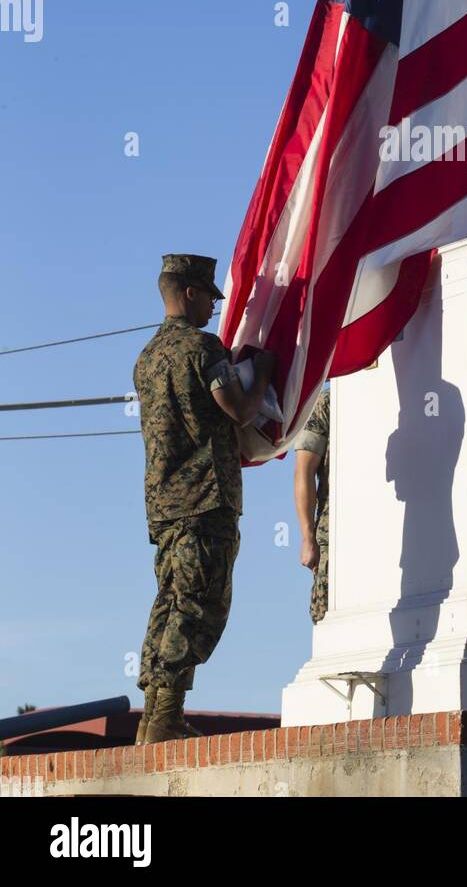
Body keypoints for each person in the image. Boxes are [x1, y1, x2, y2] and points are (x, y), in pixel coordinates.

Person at [133, 253, 274, 744]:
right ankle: (165, 714)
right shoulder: (202, 348)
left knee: (171, 603)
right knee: (199, 606)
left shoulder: (147, 358)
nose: (214, 307)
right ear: (188, 292)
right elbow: (236, 409)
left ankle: (155, 717)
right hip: (205, 498)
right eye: (209, 297)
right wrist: (263, 372)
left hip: (165, 506)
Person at [291, 388, 330, 625]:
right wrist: (308, 538)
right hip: (333, 535)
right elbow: (304, 471)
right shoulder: (327, 403)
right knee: (327, 617)